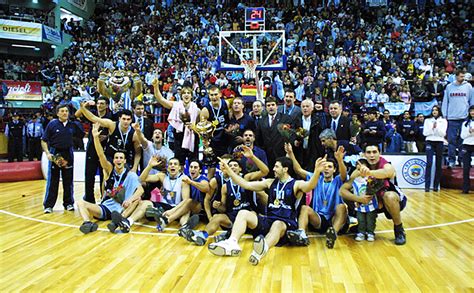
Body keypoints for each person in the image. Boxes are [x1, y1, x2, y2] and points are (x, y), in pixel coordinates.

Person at [208, 156, 323, 265]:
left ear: (285, 169)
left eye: (276, 167)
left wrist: (317, 172)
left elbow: (310, 186)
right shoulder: (270, 182)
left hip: (286, 225)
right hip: (268, 221)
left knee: (277, 224)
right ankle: (232, 243)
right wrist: (229, 170)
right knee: (243, 213)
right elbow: (246, 184)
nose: (273, 169)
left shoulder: (296, 184)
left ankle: (261, 250)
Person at [181, 146, 269, 246]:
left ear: (240, 168)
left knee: (257, 203)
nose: (232, 167)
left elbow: (265, 171)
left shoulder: (246, 178)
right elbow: (224, 208)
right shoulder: (225, 187)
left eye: (235, 165)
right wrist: (218, 206)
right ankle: (202, 235)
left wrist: (252, 157)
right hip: (232, 216)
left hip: (248, 213)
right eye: (230, 166)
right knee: (217, 217)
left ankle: (229, 235)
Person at [76, 123, 144, 234]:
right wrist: (95, 138)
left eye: (121, 158)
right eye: (116, 158)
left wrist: (129, 200)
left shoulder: (131, 175)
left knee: (137, 199)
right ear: (113, 160)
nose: (118, 160)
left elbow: (141, 190)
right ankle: (87, 223)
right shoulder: (109, 170)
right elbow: (101, 155)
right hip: (106, 208)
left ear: (125, 161)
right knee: (80, 203)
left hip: (122, 208)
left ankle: (119, 221)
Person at [340, 144, 407, 245]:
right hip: (369, 202)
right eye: (369, 152)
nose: (372, 155)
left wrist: (369, 173)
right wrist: (359, 199)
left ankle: (399, 229)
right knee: (349, 196)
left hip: (389, 201)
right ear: (364, 155)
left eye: (374, 152)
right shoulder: (359, 169)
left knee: (389, 196)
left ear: (380, 153)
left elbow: (388, 172)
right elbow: (342, 191)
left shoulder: (385, 164)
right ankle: (362, 224)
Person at [285, 143, 348, 248]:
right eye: (324, 166)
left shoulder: (338, 180)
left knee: (341, 207)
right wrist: (291, 153)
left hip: (334, 219)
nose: (326, 169)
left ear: (334, 170)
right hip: (319, 219)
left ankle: (332, 234)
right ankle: (301, 234)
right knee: (305, 208)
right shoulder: (316, 178)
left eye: (329, 167)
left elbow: (344, 174)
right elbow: (298, 170)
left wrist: (340, 160)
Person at [80, 102, 141, 172]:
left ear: (131, 120)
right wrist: (82, 108)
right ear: (119, 118)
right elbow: (94, 118)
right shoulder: (112, 125)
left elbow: (138, 153)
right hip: (110, 156)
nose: (126, 121)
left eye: (128, 119)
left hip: (125, 158)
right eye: (124, 119)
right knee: (106, 174)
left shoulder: (134, 134)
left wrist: (135, 167)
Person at [41, 105, 79, 213]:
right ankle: (48, 205)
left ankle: (69, 204)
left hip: (68, 154)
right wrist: (48, 153)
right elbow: (43, 140)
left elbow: (81, 135)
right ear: (57, 113)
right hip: (55, 154)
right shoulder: (52, 124)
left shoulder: (72, 125)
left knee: (68, 180)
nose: (65, 113)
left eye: (66, 111)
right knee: (53, 180)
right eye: (62, 111)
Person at [75, 96, 113, 203]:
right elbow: (77, 115)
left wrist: (106, 137)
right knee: (89, 174)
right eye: (98, 103)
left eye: (102, 103)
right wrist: (85, 105)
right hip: (92, 148)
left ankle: (104, 198)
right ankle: (89, 198)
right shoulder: (92, 113)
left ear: (107, 105)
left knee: (104, 174)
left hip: (105, 149)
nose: (99, 105)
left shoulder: (111, 116)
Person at [153, 80, 200, 165]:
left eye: (188, 93)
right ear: (181, 95)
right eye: (184, 93)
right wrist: (156, 86)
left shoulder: (196, 109)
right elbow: (161, 100)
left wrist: (193, 127)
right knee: (179, 164)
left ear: (191, 95)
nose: (186, 94)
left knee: (193, 163)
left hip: (193, 138)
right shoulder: (175, 105)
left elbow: (199, 127)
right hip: (179, 137)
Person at [442, 70, 474, 167]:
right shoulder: (449, 87)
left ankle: (462, 159)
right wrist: (445, 114)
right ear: (456, 76)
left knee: (462, 140)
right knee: (451, 140)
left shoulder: (468, 86)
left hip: (464, 117)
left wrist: (471, 115)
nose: (463, 78)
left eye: (463, 76)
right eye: (461, 76)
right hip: (452, 117)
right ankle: (451, 160)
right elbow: (445, 101)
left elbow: (471, 101)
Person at [256, 96, 295, 172]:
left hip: (282, 154)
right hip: (267, 156)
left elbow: (291, 136)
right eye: (268, 105)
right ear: (265, 107)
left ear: (277, 106)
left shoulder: (286, 118)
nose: (271, 107)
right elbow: (258, 138)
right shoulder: (261, 121)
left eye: (273, 105)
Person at [352, 159, 379, 242]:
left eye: (363, 169)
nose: (361, 171)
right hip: (360, 205)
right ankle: (361, 232)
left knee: (371, 219)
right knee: (360, 219)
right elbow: (354, 192)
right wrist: (355, 200)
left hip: (371, 205)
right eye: (358, 169)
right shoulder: (354, 180)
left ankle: (370, 233)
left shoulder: (371, 178)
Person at [423, 105, 447, 192]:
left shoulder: (443, 121)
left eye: (436, 110)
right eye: (433, 110)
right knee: (429, 163)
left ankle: (436, 185)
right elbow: (425, 133)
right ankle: (427, 186)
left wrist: (436, 128)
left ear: (439, 111)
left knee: (438, 163)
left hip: (439, 141)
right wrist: (432, 128)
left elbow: (443, 134)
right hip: (429, 141)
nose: (434, 112)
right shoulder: (427, 120)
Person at [460, 105, 474, 194]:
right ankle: (465, 188)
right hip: (466, 145)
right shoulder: (465, 123)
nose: (472, 112)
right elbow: (462, 136)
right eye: (471, 111)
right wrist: (470, 133)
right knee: (466, 168)